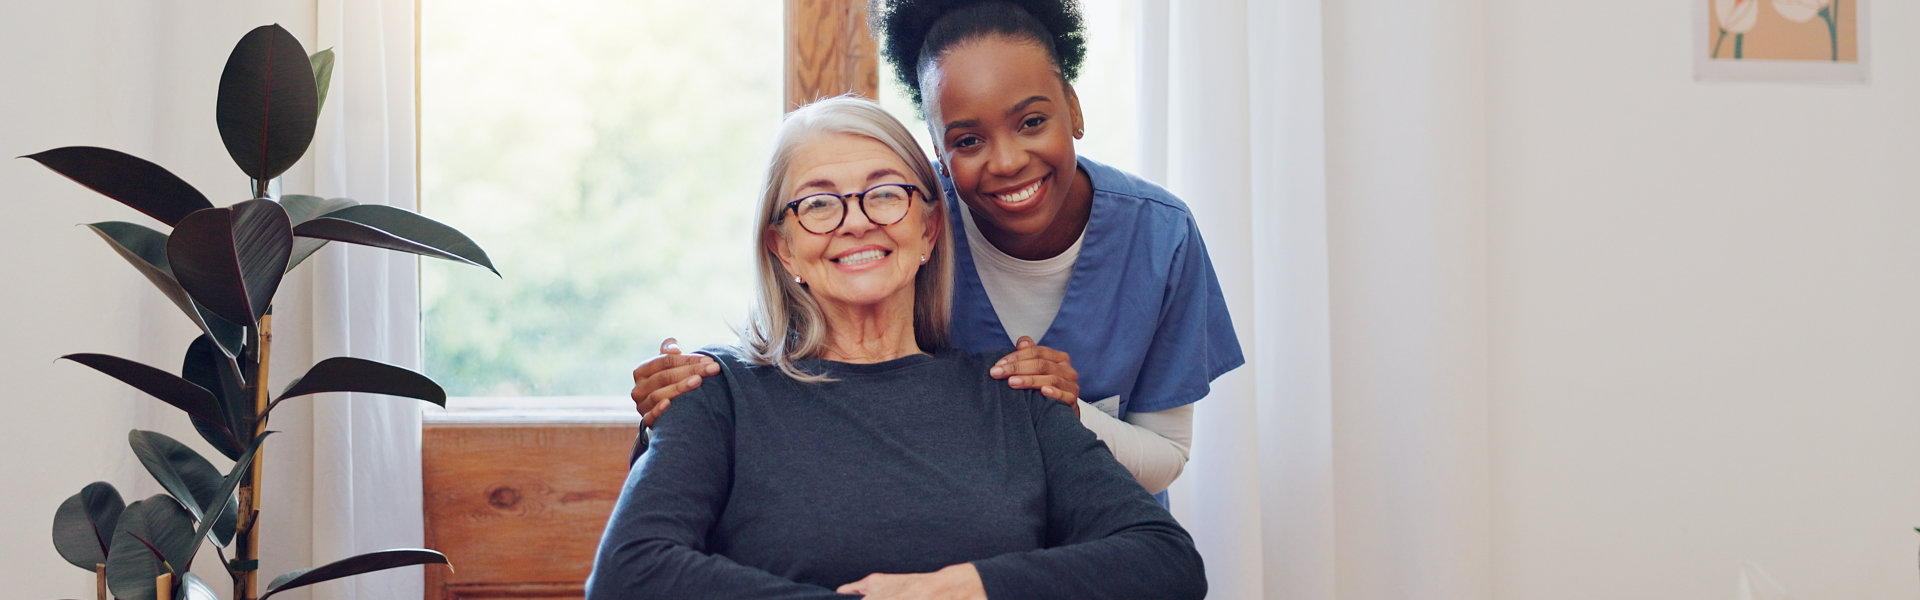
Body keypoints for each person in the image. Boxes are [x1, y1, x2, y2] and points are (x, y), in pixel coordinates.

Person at [587, 97, 1205, 600]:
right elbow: (628, 574)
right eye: (819, 203)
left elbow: (1166, 562)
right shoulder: (714, 392)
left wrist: (971, 587)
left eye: (885, 193)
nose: (856, 221)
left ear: (929, 229)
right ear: (782, 247)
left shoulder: (1015, 396)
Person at [630, 0, 1242, 500]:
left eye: (1032, 122)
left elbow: (1166, 457)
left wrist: (1066, 412)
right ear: (936, 150)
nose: (1006, 161)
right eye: (968, 139)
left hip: (1100, 541)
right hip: (958, 539)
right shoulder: (901, 222)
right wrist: (698, 388)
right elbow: (810, 353)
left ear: (1074, 110)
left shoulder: (1162, 236)